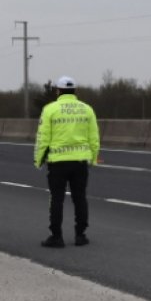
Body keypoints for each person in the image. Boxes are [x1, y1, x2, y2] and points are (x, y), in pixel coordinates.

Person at [34, 76, 100, 248]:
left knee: (57, 199)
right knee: (80, 198)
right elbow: (94, 137)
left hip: (57, 162)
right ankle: (80, 235)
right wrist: (94, 157)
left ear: (58, 91)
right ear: (75, 91)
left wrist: (38, 159)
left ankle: (56, 237)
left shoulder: (50, 109)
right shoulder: (87, 109)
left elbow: (43, 138)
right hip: (79, 162)